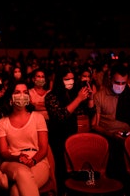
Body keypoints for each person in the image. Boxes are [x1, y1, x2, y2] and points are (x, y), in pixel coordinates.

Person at [91, 63, 130, 190]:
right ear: (110, 79)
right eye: (117, 82)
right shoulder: (100, 96)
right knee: (115, 148)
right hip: (108, 134)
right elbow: (94, 125)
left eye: (123, 83)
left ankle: (129, 183)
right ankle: (116, 183)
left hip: (128, 133)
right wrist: (111, 134)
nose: (120, 86)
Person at [45, 64, 95, 195]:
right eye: (66, 79)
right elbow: (61, 115)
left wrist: (90, 98)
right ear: (59, 80)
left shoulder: (74, 93)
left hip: (73, 136)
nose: (70, 82)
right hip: (58, 138)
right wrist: (78, 99)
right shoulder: (51, 97)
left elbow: (90, 112)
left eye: (72, 78)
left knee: (75, 168)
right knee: (61, 170)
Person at [0, 80, 50, 196]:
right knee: (22, 172)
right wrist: (18, 158)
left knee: (15, 191)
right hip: (12, 162)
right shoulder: (2, 122)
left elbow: (43, 148)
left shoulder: (38, 118)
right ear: (11, 98)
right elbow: (3, 152)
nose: (22, 95)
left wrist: (33, 161)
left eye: (25, 92)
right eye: (17, 92)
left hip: (38, 161)